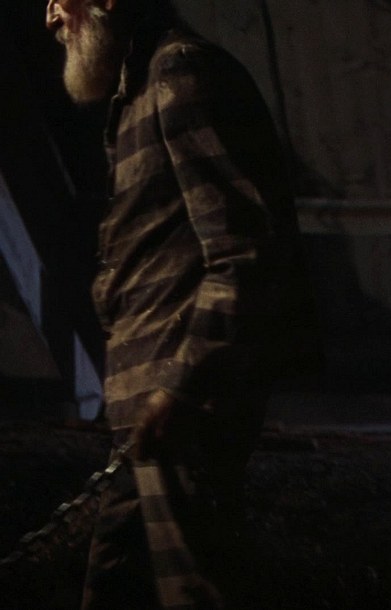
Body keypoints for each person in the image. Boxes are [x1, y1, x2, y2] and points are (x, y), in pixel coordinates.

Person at [45, 0, 320, 607]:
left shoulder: (182, 73)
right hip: (148, 412)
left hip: (179, 410)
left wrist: (184, 387)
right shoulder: (139, 91)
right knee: (117, 585)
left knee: (192, 589)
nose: (50, 18)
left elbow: (245, 250)